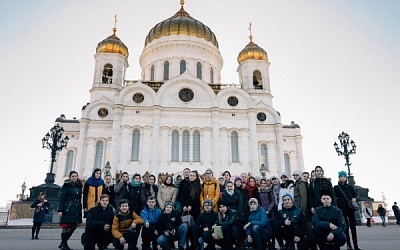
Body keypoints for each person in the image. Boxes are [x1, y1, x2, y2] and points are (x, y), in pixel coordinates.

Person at [334, 171, 361, 250]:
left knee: (353, 227)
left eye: (344, 176)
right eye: (341, 176)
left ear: (346, 178)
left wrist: (355, 198)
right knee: (345, 228)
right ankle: (349, 245)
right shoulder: (336, 187)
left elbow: (356, 196)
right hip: (341, 210)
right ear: (339, 178)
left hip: (350, 209)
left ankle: (356, 245)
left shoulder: (350, 187)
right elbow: (334, 197)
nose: (343, 178)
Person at [57, 170, 83, 250]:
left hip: (76, 208)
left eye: (75, 176)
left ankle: (63, 243)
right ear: (70, 177)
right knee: (66, 226)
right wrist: (60, 210)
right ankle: (64, 245)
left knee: (74, 225)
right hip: (67, 207)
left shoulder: (79, 186)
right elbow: (62, 198)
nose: (74, 177)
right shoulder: (66, 185)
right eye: (73, 176)